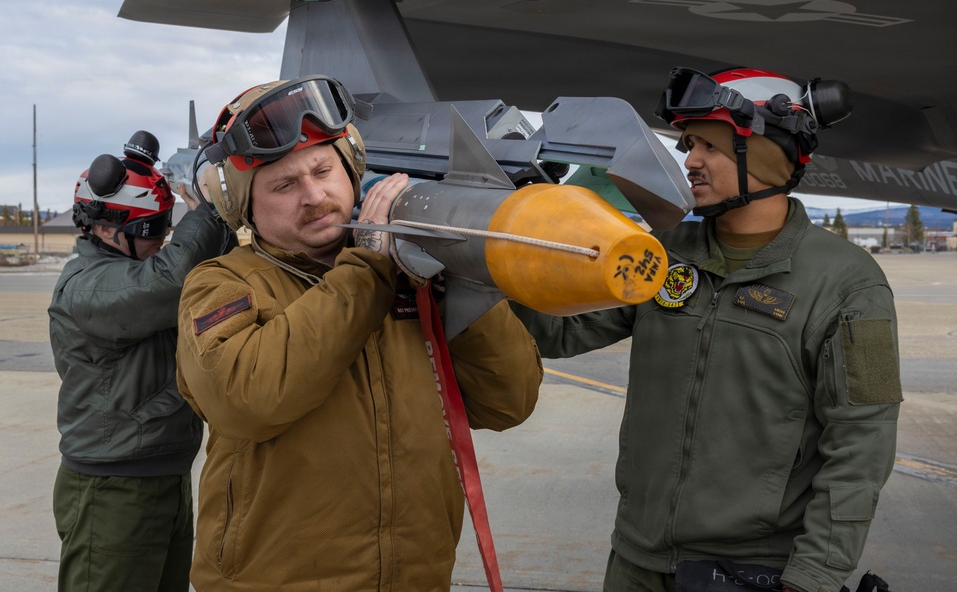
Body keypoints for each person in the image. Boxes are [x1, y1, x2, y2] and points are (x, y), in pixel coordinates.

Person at [513, 67, 902, 592]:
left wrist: (814, 576)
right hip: (637, 557)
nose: (690, 161)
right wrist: (502, 256)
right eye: (689, 145)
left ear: (766, 156)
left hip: (755, 570)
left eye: (709, 147)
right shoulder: (662, 252)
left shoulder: (851, 283)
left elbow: (863, 441)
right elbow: (560, 332)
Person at [174, 76, 543, 591]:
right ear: (244, 206)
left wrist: (458, 279)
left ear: (351, 168)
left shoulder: (414, 276)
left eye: (323, 170)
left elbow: (509, 402)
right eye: (284, 186)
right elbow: (247, 399)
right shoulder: (221, 284)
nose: (314, 196)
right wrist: (368, 264)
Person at [48, 130, 235, 591]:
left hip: (163, 475)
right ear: (105, 228)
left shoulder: (128, 273)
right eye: (151, 230)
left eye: (167, 226)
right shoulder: (88, 287)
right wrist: (210, 208)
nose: (162, 238)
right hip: (112, 489)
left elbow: (201, 272)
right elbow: (169, 280)